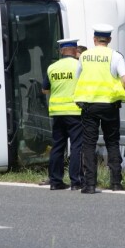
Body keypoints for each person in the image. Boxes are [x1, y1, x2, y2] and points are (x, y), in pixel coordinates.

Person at [74, 24, 125, 194]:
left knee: (89, 144)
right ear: (109, 40)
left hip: (89, 106)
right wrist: (116, 92)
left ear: (94, 39)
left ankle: (90, 184)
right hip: (110, 106)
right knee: (112, 142)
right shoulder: (115, 56)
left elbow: (78, 78)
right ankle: (116, 183)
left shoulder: (84, 56)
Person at [42, 39, 84, 190]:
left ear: (61, 51)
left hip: (57, 112)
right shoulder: (80, 65)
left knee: (58, 146)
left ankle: (55, 181)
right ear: (74, 50)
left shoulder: (52, 67)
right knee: (77, 146)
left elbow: (45, 90)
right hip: (75, 111)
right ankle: (76, 181)